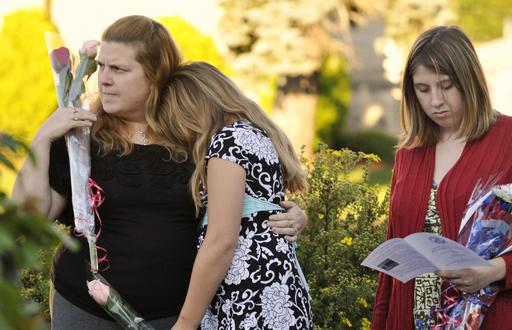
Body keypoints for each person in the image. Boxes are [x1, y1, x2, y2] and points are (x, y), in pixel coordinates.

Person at [12, 15, 306, 330]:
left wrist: (290, 215)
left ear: (155, 75)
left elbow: (238, 206)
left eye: (119, 70)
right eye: (102, 67)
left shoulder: (196, 136)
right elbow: (28, 215)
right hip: (86, 309)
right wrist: (43, 138)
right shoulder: (82, 136)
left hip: (175, 315)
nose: (104, 80)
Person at [371, 26, 512, 330]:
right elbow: (391, 272)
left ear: (469, 81)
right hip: (414, 319)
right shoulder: (410, 151)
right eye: (423, 89)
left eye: (446, 86)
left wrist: (492, 271)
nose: (436, 101)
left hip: (493, 319)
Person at [156, 62, 313, 330]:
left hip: (250, 297)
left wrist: (185, 322)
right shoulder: (255, 134)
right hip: (278, 292)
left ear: (193, 111)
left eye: (178, 123)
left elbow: (221, 240)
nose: (182, 136)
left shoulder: (227, 143)